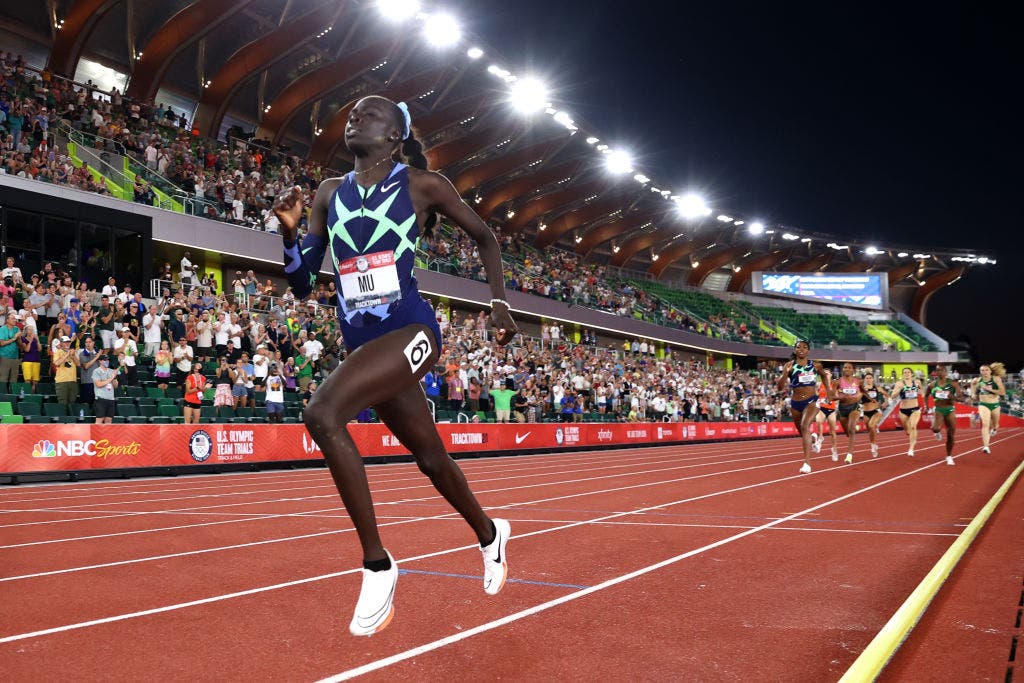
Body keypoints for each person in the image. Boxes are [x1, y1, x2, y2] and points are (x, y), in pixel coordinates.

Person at [272, 95, 517, 636]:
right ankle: (489, 532)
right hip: (366, 349)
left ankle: (377, 565)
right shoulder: (327, 194)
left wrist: (498, 302)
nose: (354, 116)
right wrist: (289, 234)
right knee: (430, 458)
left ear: (395, 137)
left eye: (370, 113)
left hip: (414, 333)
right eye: (352, 111)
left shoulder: (421, 186)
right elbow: (303, 283)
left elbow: (485, 237)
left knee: (322, 415)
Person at [776, 341, 831, 474]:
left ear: (808, 351)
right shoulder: (789, 365)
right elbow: (779, 388)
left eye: (804, 347)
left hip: (812, 401)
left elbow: (824, 376)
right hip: (795, 404)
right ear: (794, 350)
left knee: (805, 425)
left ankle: (807, 464)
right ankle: (813, 438)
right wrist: (785, 374)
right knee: (803, 432)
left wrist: (829, 392)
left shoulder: (815, 365)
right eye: (798, 347)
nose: (801, 349)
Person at [926, 364, 962, 466]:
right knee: (936, 429)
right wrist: (927, 406)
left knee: (951, 434)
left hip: (950, 409)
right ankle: (936, 431)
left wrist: (952, 397)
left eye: (942, 370)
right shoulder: (932, 385)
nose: (940, 372)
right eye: (938, 371)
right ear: (936, 372)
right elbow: (926, 395)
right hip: (939, 409)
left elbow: (961, 398)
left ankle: (949, 456)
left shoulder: (953, 384)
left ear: (946, 372)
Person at [831, 362, 862, 464]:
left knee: (851, 429)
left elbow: (862, 392)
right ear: (842, 369)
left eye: (849, 367)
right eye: (845, 367)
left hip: (854, 406)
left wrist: (859, 396)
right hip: (842, 408)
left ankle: (849, 455)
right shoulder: (837, 382)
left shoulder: (858, 381)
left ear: (853, 370)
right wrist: (841, 397)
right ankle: (853, 428)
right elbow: (831, 397)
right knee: (848, 432)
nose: (847, 369)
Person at [970, 362, 1006, 454]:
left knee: (995, 425)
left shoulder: (996, 379)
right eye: (982, 370)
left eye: (986, 370)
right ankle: (986, 447)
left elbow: (1002, 392)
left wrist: (989, 389)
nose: (984, 372)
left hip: (995, 405)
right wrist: (973, 393)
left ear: (990, 371)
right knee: (985, 424)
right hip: (983, 404)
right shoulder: (977, 380)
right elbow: (972, 385)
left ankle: (994, 429)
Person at [891, 367, 924, 457]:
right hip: (903, 410)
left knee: (913, 426)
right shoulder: (899, 383)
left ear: (912, 374)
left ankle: (911, 448)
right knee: (908, 431)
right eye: (904, 372)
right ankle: (911, 436)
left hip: (915, 409)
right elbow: (893, 396)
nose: (906, 374)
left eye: (908, 372)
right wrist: (899, 389)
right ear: (902, 374)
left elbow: (922, 391)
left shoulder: (917, 382)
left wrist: (922, 394)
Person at [858, 373, 887, 457]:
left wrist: (885, 402)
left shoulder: (877, 388)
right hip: (866, 412)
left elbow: (886, 394)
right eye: (867, 378)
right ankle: (873, 444)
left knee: (871, 425)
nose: (868, 379)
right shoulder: (862, 389)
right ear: (864, 379)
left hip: (876, 411)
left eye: (870, 378)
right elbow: (856, 397)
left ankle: (873, 448)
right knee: (869, 429)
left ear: (873, 379)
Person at [53, 335, 80, 406]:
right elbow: (56, 363)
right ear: (61, 343)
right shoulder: (58, 352)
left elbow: (78, 364)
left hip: (73, 380)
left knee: (72, 402)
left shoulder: (73, 352)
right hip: (62, 381)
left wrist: (73, 356)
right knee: (62, 403)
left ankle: (70, 417)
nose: (67, 343)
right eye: (65, 342)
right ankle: (63, 417)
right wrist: (67, 354)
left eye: (68, 342)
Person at [92, 354, 118, 424]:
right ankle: (96, 434)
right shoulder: (96, 371)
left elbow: (115, 386)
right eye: (105, 360)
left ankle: (107, 435)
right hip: (101, 398)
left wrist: (114, 378)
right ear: (100, 361)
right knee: (100, 419)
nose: (107, 361)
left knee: (109, 420)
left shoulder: (111, 371)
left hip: (111, 398)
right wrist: (111, 378)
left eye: (108, 360)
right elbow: (99, 384)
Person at [0, 310, 22, 390]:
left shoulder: (17, 329)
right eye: (12, 319)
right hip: (4, 357)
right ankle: (2, 396)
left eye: (15, 319)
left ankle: (12, 397)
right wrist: (14, 338)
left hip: (15, 358)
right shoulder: (2, 329)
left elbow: (20, 344)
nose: (15, 320)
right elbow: (1, 343)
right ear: (7, 320)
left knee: (14, 380)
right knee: (3, 378)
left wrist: (19, 338)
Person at [17, 325, 42, 393]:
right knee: (27, 380)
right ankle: (27, 395)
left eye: (32, 329)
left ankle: (34, 395)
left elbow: (40, 349)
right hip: (27, 361)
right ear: (26, 331)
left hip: (36, 361)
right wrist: (30, 341)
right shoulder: (23, 338)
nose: (31, 331)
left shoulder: (35, 339)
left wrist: (37, 340)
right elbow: (26, 350)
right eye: (29, 329)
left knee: (35, 381)